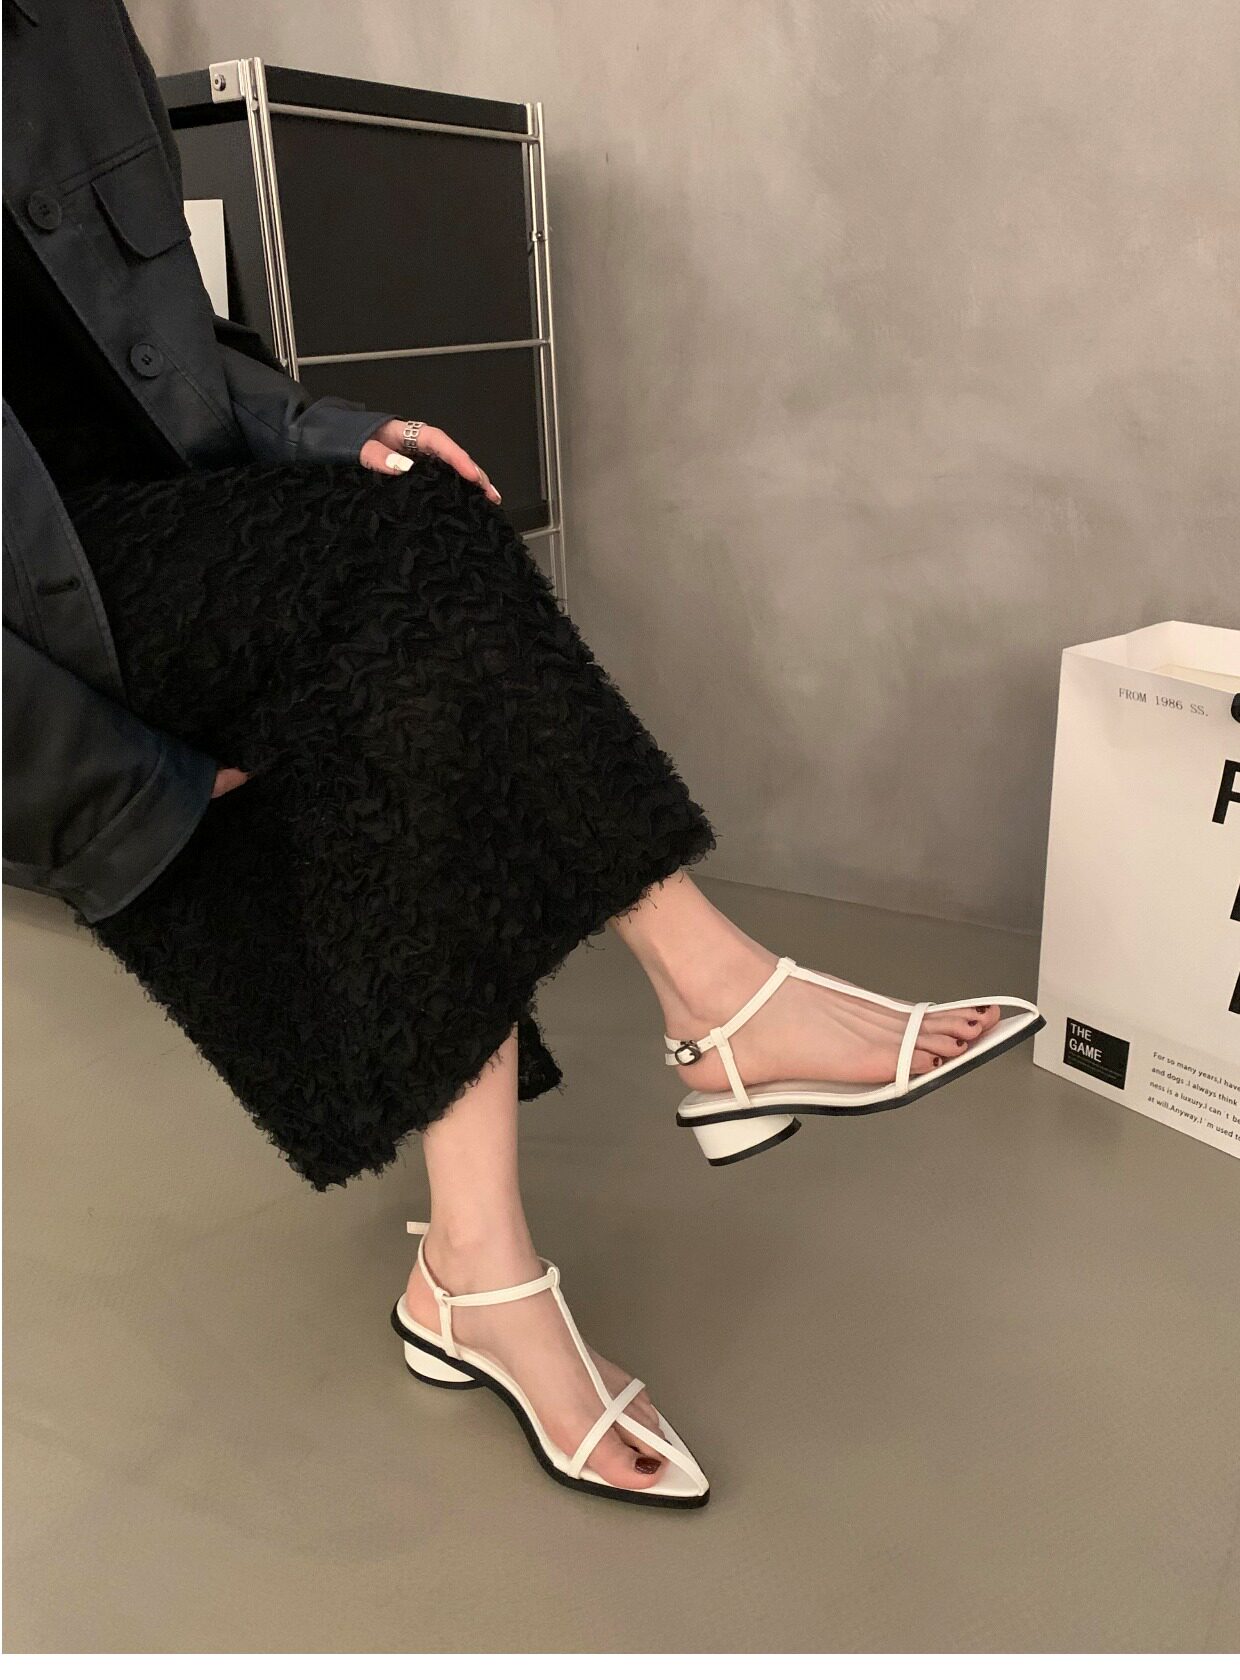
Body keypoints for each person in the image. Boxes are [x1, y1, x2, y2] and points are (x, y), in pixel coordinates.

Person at [2, 0, 1042, 1509]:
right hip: (44, 619)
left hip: (166, 516)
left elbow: (166, 330)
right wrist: (115, 784)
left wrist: (318, 428)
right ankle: (715, 1011)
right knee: (400, 601)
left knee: (419, 577)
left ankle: (480, 1263)